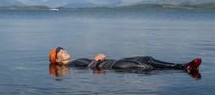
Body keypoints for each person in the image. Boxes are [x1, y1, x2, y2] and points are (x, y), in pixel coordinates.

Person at [49, 47, 202, 79]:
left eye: (63, 49)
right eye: (60, 52)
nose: (63, 50)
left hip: (114, 62)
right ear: (56, 60)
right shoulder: (70, 65)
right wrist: (95, 60)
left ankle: (182, 65)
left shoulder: (74, 62)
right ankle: (183, 68)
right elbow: (90, 68)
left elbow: (90, 66)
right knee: (144, 67)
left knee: (147, 59)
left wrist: (96, 59)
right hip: (113, 67)